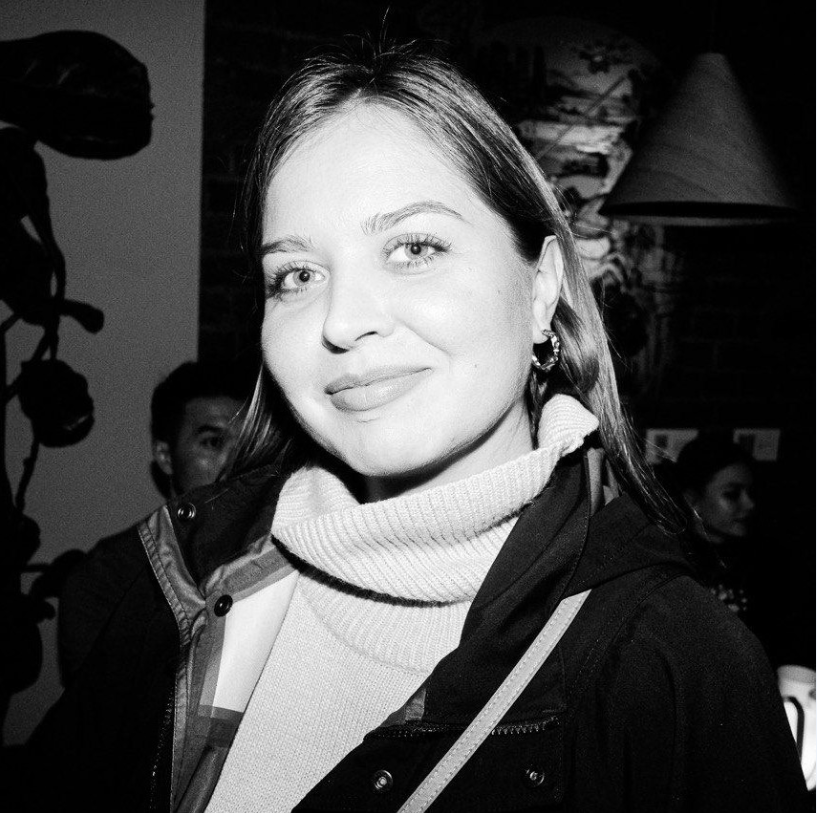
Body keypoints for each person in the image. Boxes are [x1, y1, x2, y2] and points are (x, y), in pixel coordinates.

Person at [20, 41, 808, 812]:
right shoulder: (178, 579)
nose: (342, 319)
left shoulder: (676, 666)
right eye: (296, 273)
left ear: (540, 289)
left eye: (413, 246)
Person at [56, 361, 246, 685]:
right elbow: (101, 703)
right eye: (213, 442)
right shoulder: (110, 576)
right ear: (165, 455)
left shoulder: (276, 559)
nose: (236, 462)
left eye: (249, 444)